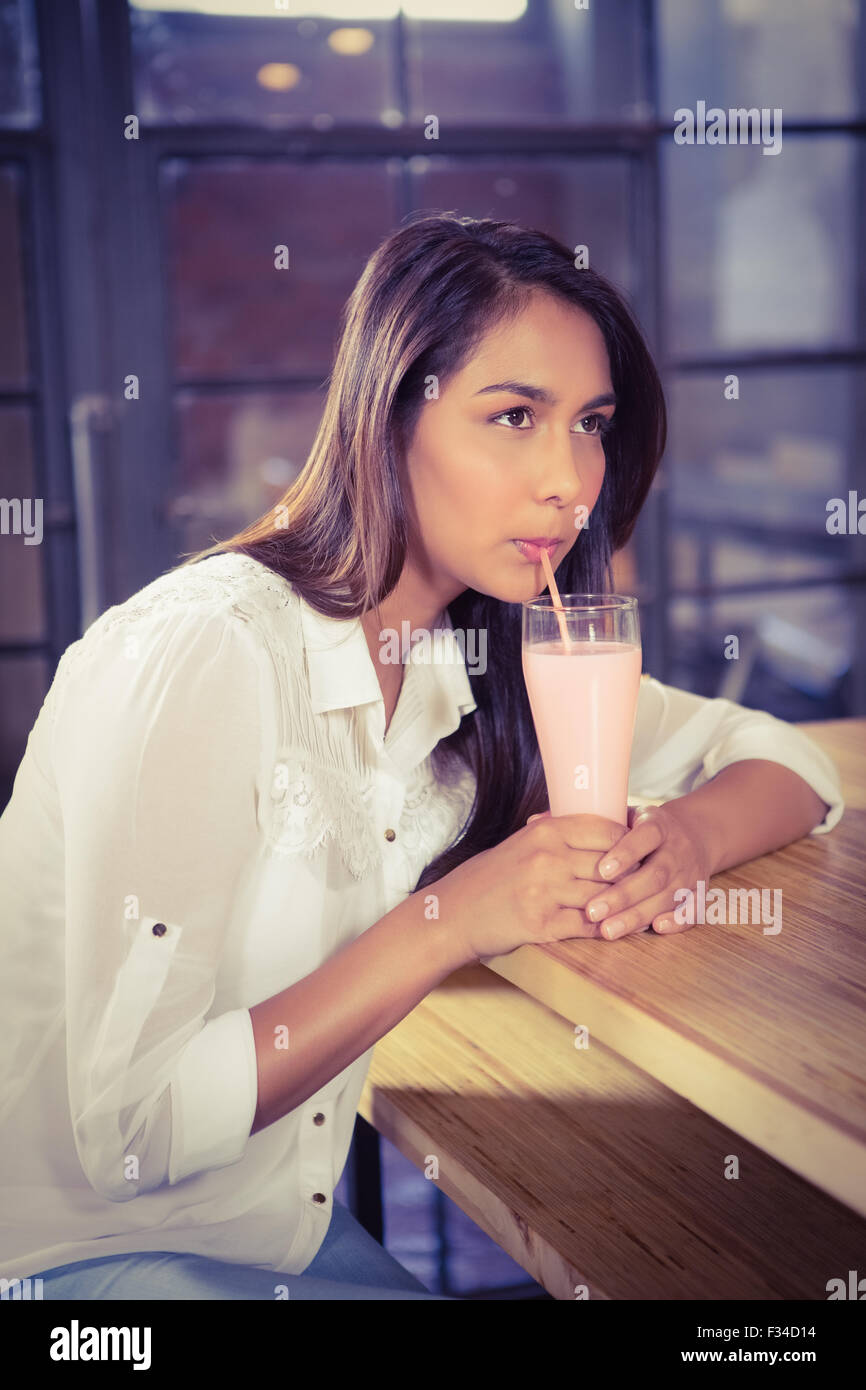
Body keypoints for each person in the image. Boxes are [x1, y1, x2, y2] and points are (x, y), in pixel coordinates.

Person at [0, 213, 844, 1301]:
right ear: (390, 411)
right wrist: (458, 917)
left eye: (590, 422)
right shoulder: (206, 650)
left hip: (281, 1241)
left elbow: (782, 761)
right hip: (72, 1262)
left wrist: (681, 838)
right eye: (512, 416)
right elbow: (131, 1126)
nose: (567, 479)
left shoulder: (482, 664)